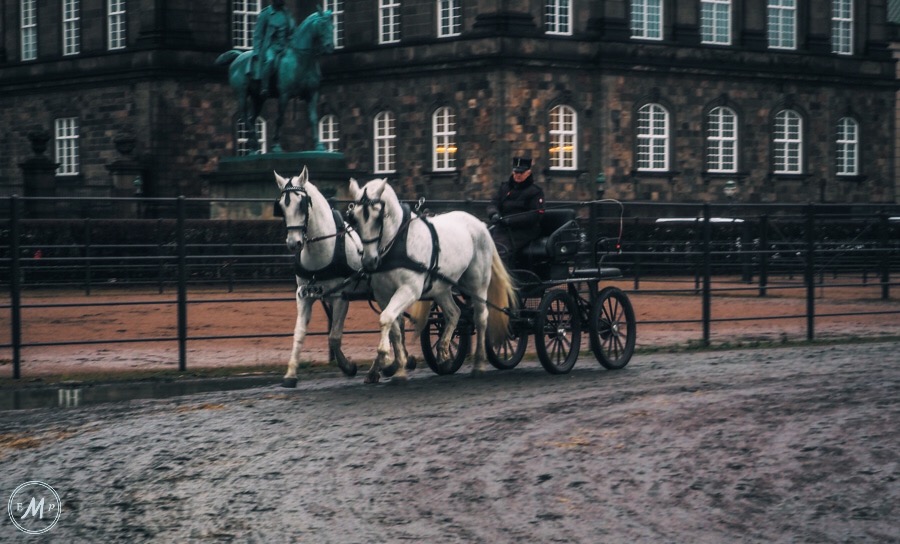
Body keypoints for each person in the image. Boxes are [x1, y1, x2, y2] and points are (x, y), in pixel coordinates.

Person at [486, 155, 545, 265]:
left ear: (528, 173)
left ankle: (503, 278)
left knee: (500, 249)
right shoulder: (504, 188)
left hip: (524, 231)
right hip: (502, 227)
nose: (517, 175)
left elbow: (535, 215)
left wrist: (511, 220)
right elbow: (493, 203)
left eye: (521, 173)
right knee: (482, 244)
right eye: (515, 172)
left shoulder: (535, 192)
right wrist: (493, 213)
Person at [252, 0, 296, 98]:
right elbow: (258, 35)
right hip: (271, 47)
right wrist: (256, 51)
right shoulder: (266, 14)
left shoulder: (287, 13)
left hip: (285, 47)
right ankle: (264, 87)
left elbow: (292, 31)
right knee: (270, 60)